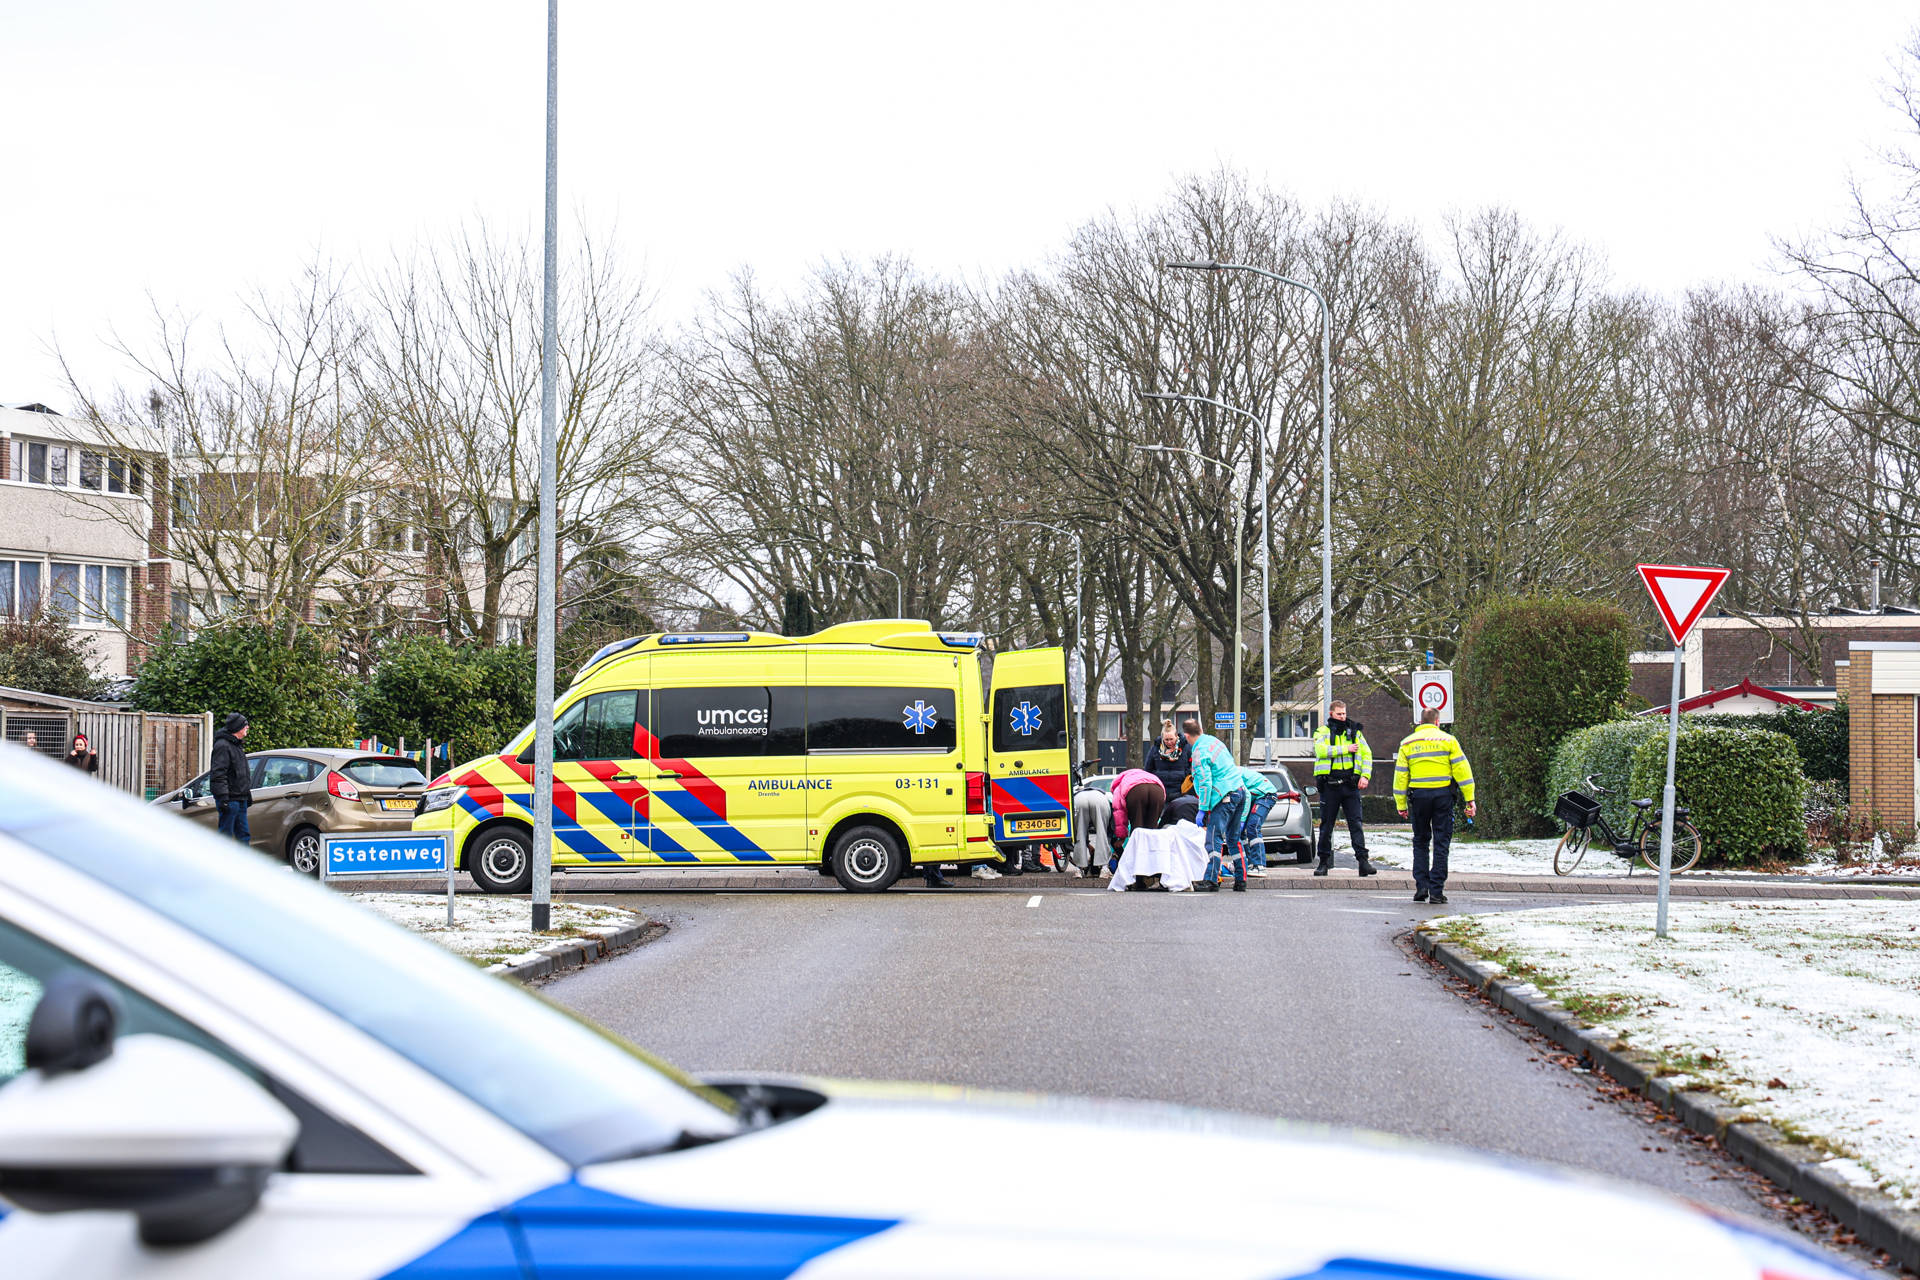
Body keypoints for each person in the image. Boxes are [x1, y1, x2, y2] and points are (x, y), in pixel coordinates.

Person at [1393, 706, 1476, 905]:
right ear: (1438, 722)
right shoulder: (1449, 740)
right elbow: (1462, 771)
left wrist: (1401, 803)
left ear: (1420, 723)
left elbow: (1401, 776)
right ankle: (1437, 891)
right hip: (1442, 796)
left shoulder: (1407, 743)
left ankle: (1421, 886)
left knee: (1420, 841)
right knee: (1441, 842)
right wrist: (1469, 799)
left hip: (1419, 796)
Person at [1312, 700, 1376, 878]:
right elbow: (1320, 750)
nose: (1342, 717)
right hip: (1330, 786)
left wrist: (1365, 776)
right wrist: (1345, 749)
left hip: (1350, 785)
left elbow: (1366, 754)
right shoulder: (1322, 732)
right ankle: (1323, 863)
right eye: (1339, 714)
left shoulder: (1354, 732)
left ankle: (1363, 862)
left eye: (1344, 713)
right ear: (1331, 714)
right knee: (1326, 826)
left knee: (1356, 824)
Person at [1182, 719, 1247, 892]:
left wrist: (1202, 809)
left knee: (1213, 839)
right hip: (1239, 790)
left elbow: (1205, 782)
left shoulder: (1198, 752)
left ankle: (1210, 880)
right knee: (1234, 839)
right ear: (1201, 729)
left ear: (1186, 736)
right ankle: (1241, 879)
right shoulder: (1215, 742)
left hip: (1223, 795)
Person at [1106, 767, 1166, 875]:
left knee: (1137, 833)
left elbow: (1119, 814)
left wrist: (1122, 837)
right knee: (1151, 834)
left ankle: (1137, 876)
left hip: (1135, 792)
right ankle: (1154, 872)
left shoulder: (1120, 785)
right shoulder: (1147, 776)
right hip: (1158, 790)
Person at [210, 712, 253, 846]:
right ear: (237, 727)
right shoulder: (222, 746)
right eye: (245, 725)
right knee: (225, 837)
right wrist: (223, 798)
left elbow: (241, 774)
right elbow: (218, 774)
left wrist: (247, 795)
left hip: (240, 799)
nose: (248, 728)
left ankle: (243, 865)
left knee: (244, 836)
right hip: (230, 800)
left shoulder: (237, 745)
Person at [1233, 765, 1280, 878]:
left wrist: (1242, 820)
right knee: (1241, 831)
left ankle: (1259, 866)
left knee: (1253, 826)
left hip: (1266, 795)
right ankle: (1249, 863)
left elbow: (1247, 796)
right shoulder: (1229, 773)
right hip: (1257, 795)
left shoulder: (1233, 775)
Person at [1143, 720, 1191, 796]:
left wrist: (1185, 774)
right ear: (1162, 738)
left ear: (1176, 736)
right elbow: (1148, 769)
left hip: (1181, 790)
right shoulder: (1155, 749)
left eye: (1171, 739)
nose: (1169, 742)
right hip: (1160, 791)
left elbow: (1193, 766)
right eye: (1166, 740)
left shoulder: (1186, 747)